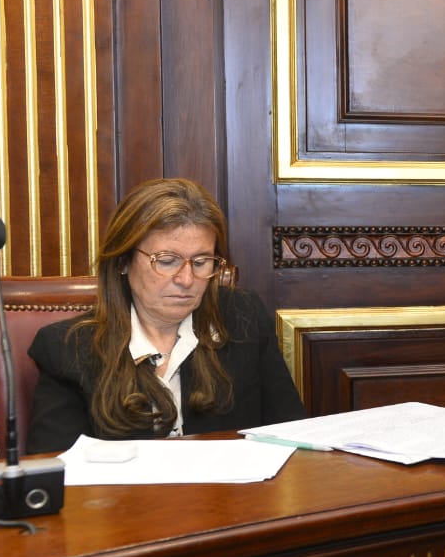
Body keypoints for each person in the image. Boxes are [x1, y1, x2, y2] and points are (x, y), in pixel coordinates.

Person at [27, 178, 307, 453]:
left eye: (201, 262)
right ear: (123, 261)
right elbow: (58, 469)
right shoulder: (68, 348)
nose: (186, 279)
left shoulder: (242, 317)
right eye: (166, 261)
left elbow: (292, 436)